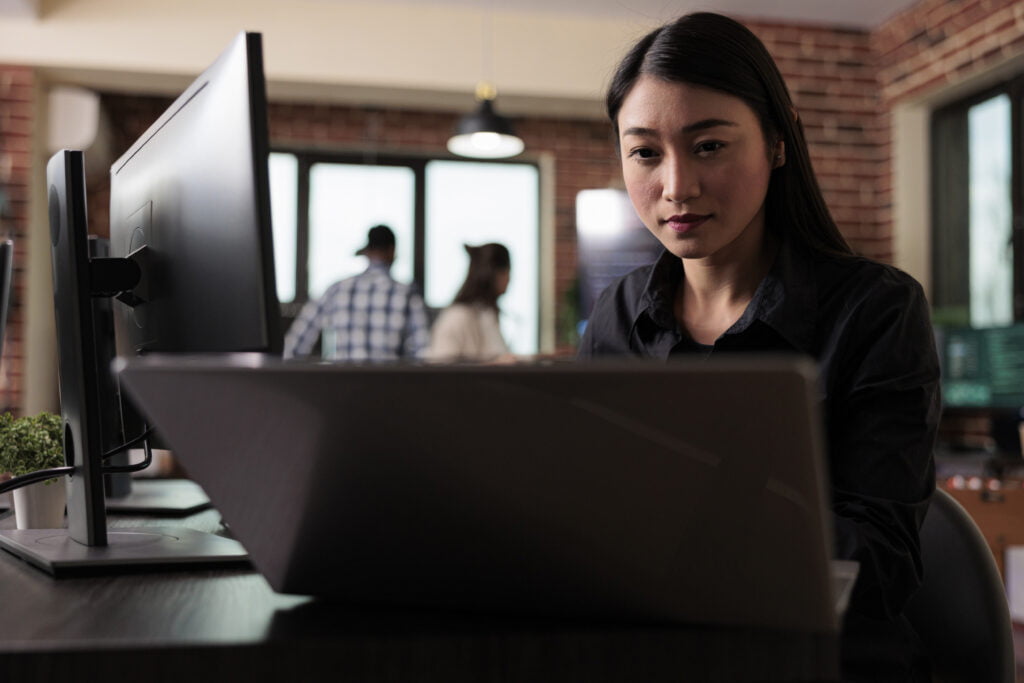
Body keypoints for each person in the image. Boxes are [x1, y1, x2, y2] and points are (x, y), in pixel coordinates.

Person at [577, 12, 940, 682]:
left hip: (824, 659)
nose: (676, 186)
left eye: (709, 145)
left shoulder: (876, 311)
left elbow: (881, 563)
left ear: (777, 141)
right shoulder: (618, 315)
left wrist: (681, 532)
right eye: (645, 152)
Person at [283, 224, 430, 361]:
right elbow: (423, 351)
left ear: (367, 252)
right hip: (390, 386)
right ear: (392, 251)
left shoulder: (336, 290)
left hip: (343, 385)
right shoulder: (408, 295)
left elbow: (295, 346)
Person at [425, 242, 514, 363]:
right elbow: (442, 371)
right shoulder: (457, 317)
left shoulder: (487, 314)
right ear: (491, 275)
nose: (509, 279)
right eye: (506, 272)